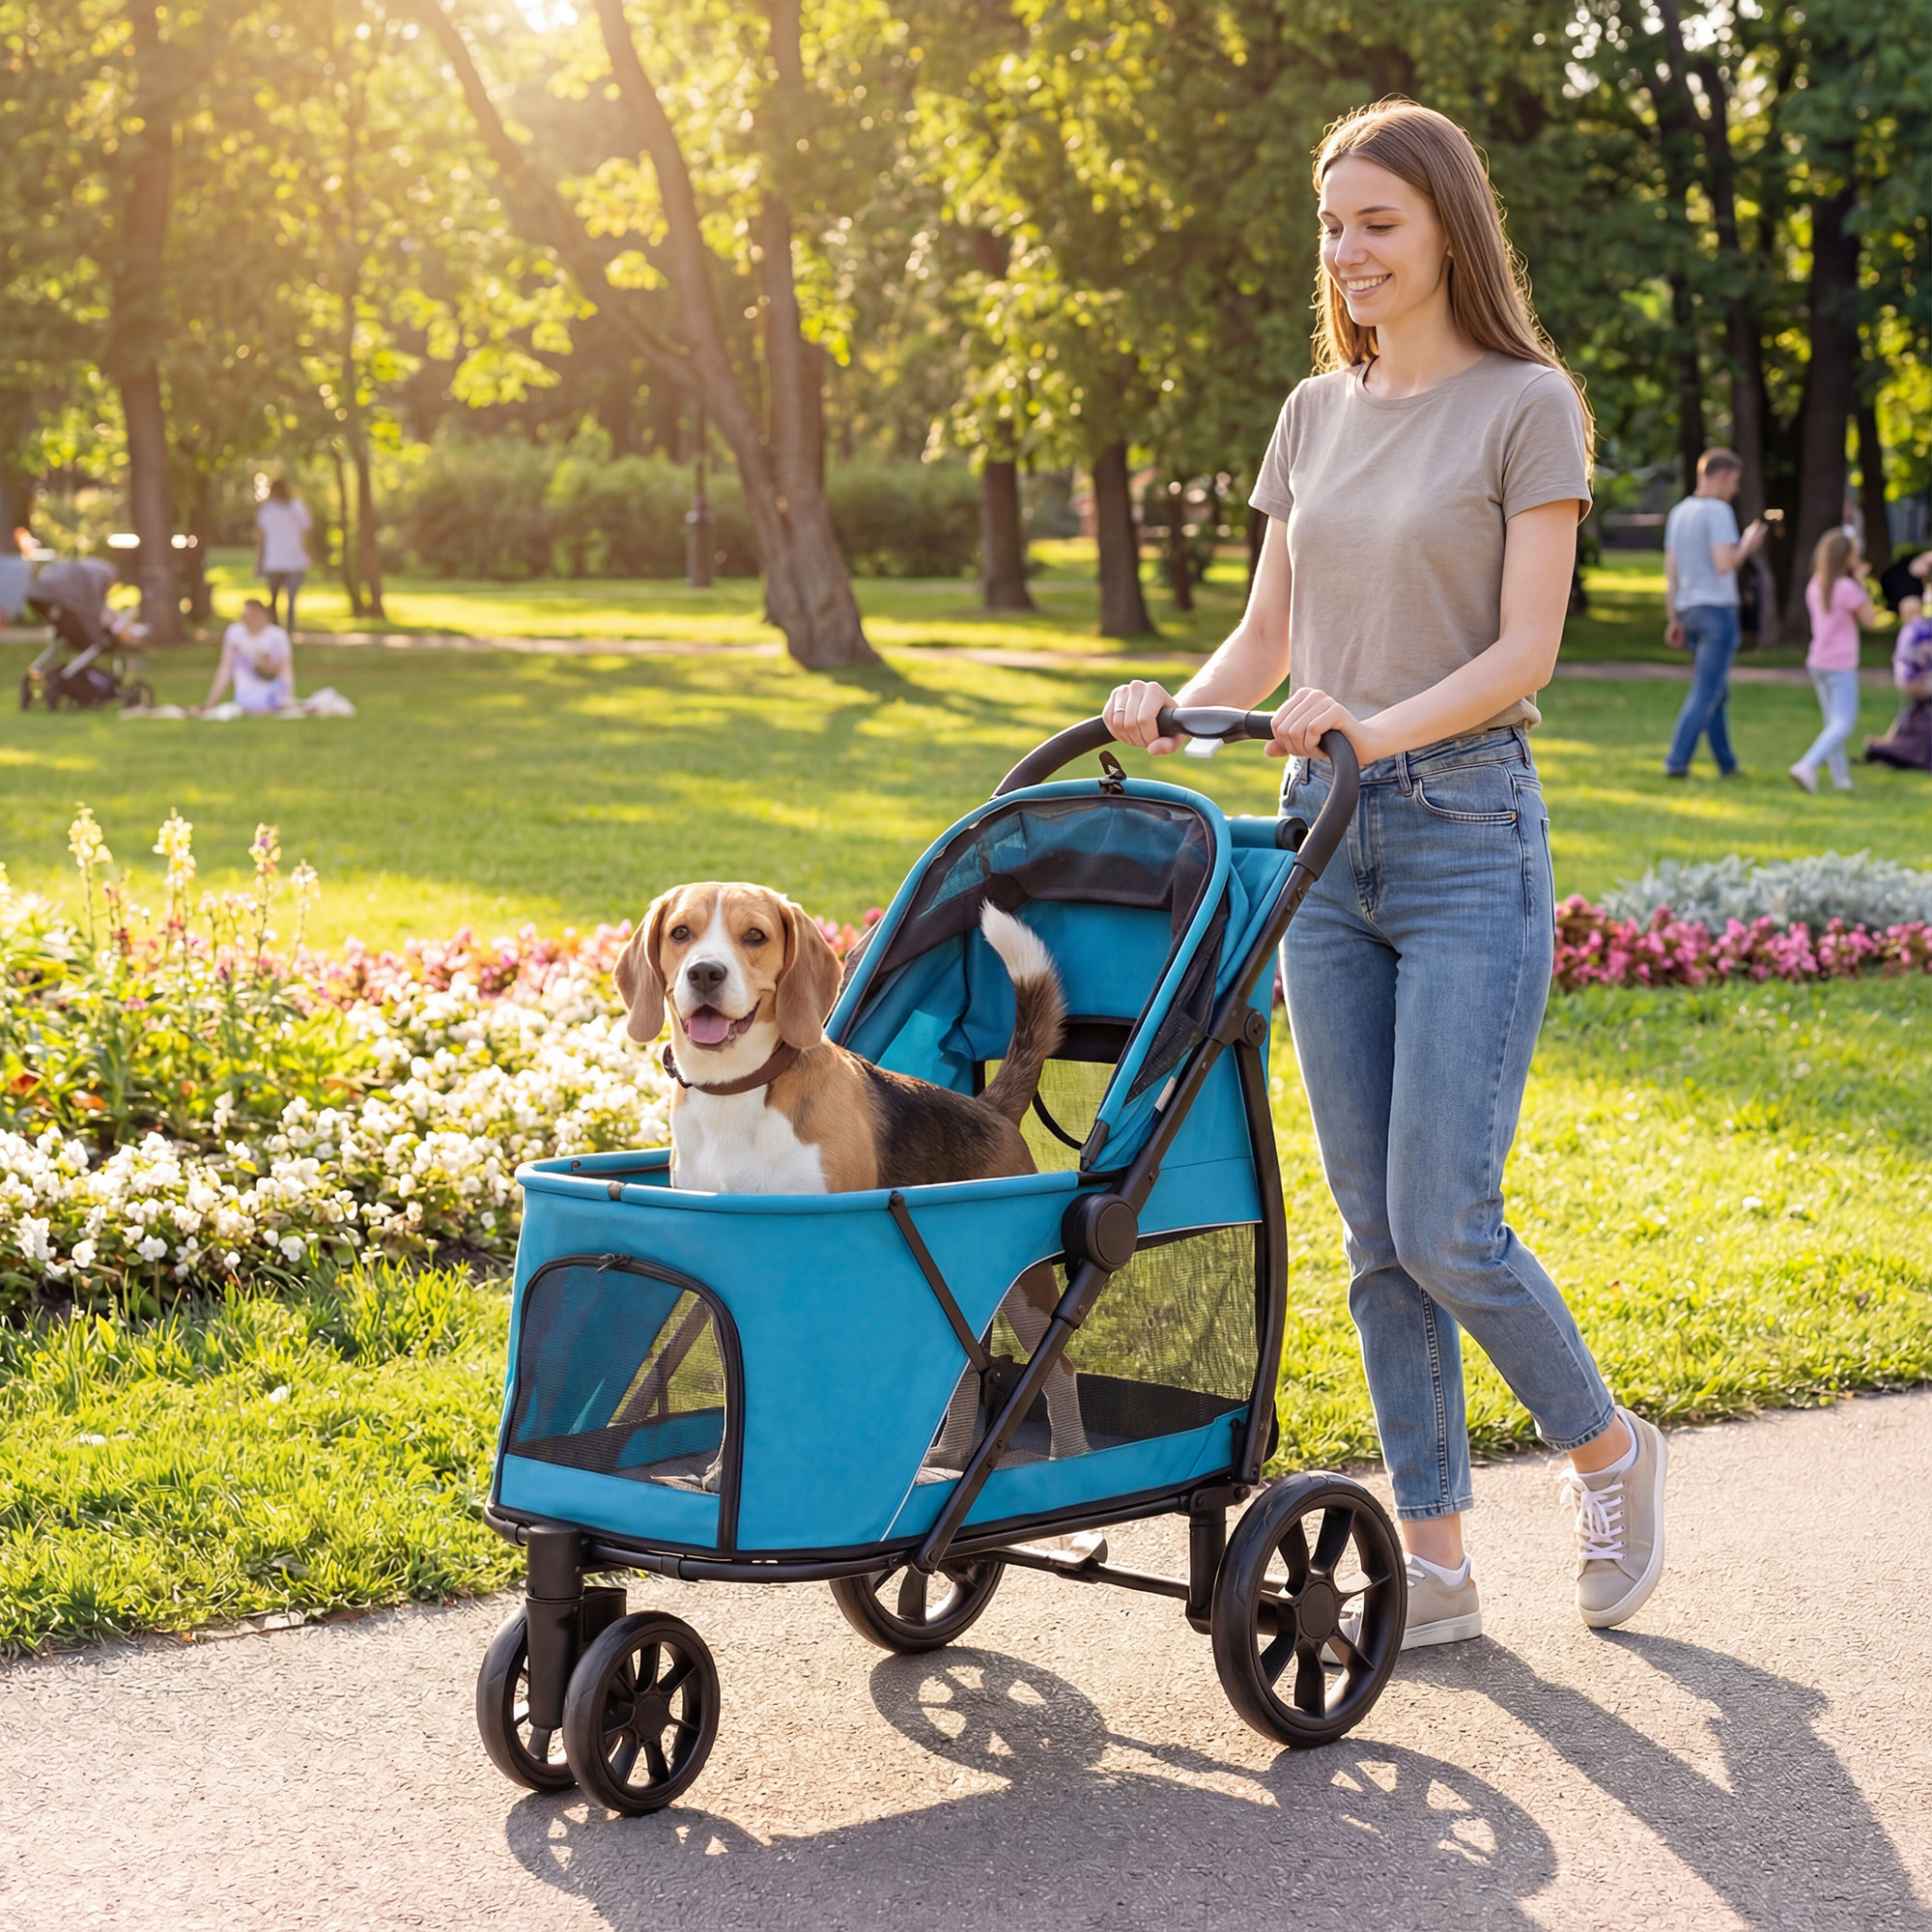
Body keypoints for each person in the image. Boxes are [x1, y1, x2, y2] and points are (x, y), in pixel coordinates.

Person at [1104, 99, 1667, 1647]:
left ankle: (1608, 1450)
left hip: (1467, 832)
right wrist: (1175, 707)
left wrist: (1370, 733)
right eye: (1334, 225)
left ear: (1446, 233)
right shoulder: (1311, 411)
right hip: (1321, 848)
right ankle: (1438, 1561)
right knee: (1371, 1230)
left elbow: (1524, 652)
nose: (1348, 253)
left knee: (1446, 1219)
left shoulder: (1523, 404)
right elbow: (1269, 640)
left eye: (1379, 224)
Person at [1661, 448, 1770, 778]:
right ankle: (1677, 762)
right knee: (1707, 690)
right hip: (1717, 611)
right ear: (1720, 476)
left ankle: (1727, 764)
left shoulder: (1679, 513)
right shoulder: (1718, 512)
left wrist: (1673, 618)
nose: (1734, 489)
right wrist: (1748, 545)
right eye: (1734, 481)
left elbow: (1671, 572)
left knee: (1716, 691)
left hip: (1689, 609)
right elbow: (1725, 563)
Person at [1790, 529, 1873, 793]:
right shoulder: (1847, 588)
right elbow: (1869, 620)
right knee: (1843, 724)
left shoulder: (1816, 584)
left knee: (1832, 724)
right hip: (1840, 665)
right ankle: (1807, 765)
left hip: (1817, 661)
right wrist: (1861, 582)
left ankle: (1842, 780)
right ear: (1846, 557)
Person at [1864, 588, 1932, 773]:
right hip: (1917, 681)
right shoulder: (1921, 630)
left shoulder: (1910, 630)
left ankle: (1890, 740)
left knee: (1910, 712)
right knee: (1911, 711)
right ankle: (1894, 743)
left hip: (1908, 680)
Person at [24, 554, 147, 655]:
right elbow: (92, 606)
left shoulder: (90, 575)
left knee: (65, 624)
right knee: (69, 623)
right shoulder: (104, 575)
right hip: (47, 598)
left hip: (39, 594)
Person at [199, 597, 295, 714]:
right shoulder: (235, 633)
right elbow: (225, 668)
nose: (249, 618)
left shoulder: (277, 636)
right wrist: (210, 702)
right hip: (245, 695)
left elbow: (285, 670)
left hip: (272, 692)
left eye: (253, 614)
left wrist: (289, 698)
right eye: (246, 614)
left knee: (269, 702)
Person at [254, 478, 311, 635]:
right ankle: (285, 632)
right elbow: (306, 533)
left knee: (275, 600)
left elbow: (261, 538)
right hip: (291, 560)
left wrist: (259, 562)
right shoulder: (295, 508)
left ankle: (279, 632)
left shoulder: (270, 509)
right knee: (287, 601)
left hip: (277, 561)